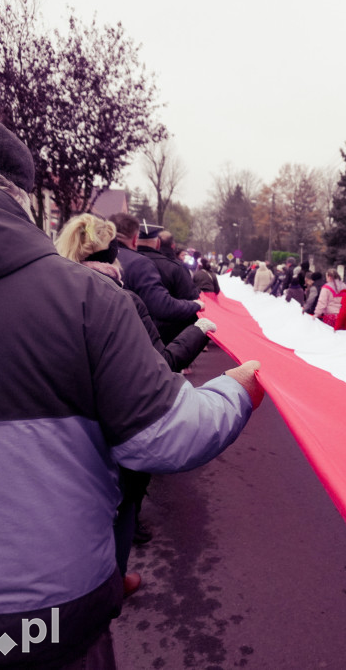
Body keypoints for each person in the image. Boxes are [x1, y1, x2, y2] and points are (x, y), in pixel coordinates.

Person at [0, 112, 264, 668]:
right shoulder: (88, 301)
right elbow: (167, 438)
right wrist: (237, 391)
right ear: (23, 197)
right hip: (50, 624)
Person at [56, 214, 217, 595]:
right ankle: (114, 579)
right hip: (115, 424)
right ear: (113, 253)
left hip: (64, 422)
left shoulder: (48, 293)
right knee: (122, 503)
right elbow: (161, 363)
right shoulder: (122, 300)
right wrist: (199, 331)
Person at [110, 213, 202, 344]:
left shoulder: (95, 258)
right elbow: (162, 305)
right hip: (143, 340)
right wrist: (195, 305)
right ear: (134, 239)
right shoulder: (141, 263)